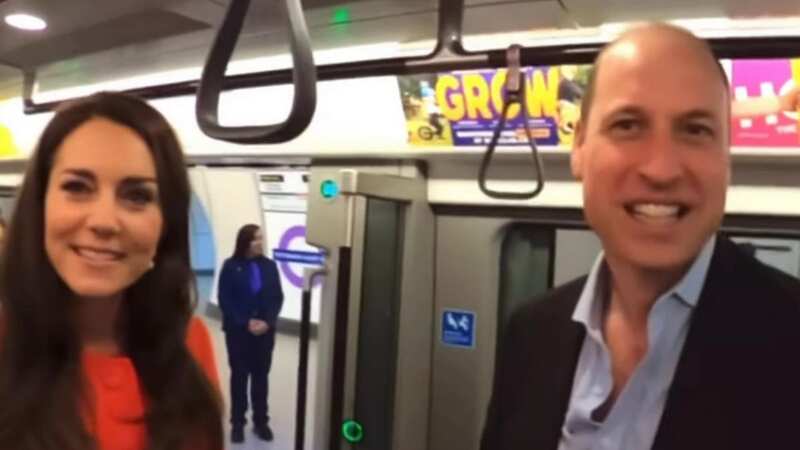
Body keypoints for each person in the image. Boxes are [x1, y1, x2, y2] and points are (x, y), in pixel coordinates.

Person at [481, 23, 800, 450]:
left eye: (695, 130)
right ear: (578, 148)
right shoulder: (530, 334)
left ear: (727, 158)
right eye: (628, 125)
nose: (661, 169)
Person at [0, 92, 223, 450]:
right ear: (40, 205)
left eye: (137, 196)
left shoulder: (189, 341)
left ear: (165, 223)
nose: (104, 222)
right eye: (77, 187)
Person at [217, 224, 283, 443]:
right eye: (255, 239)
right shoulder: (230, 266)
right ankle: (237, 423)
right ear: (244, 242)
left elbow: (276, 297)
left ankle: (261, 422)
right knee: (239, 376)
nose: (260, 243)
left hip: (264, 333)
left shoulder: (270, 267)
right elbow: (225, 299)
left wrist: (268, 322)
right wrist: (245, 322)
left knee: (261, 377)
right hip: (238, 333)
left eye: (261, 238)